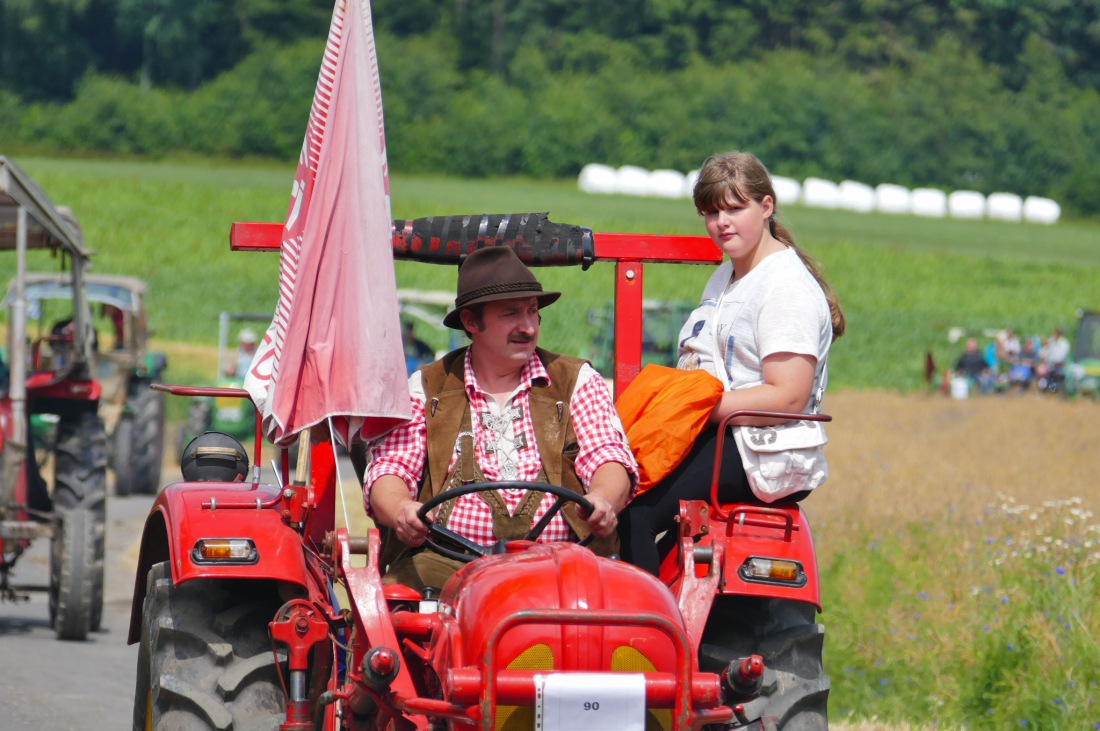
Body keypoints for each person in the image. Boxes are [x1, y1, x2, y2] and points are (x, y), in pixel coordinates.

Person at [618, 151, 845, 576]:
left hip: (757, 446)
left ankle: (640, 638)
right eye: (711, 211)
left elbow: (789, 395)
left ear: (766, 206)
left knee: (634, 513)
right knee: (608, 483)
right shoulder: (727, 276)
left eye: (735, 208)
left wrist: (687, 408)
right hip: (722, 434)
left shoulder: (785, 288)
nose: (722, 222)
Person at [364, 245, 638, 592]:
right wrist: (402, 508)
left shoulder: (575, 379)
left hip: (565, 559)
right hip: (449, 561)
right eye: (511, 314)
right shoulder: (427, 386)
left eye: (532, 311)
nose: (527, 326)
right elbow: (391, 469)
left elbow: (607, 455)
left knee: (624, 611)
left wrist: (601, 498)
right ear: (470, 321)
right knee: (395, 606)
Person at [1037, 327, 1070, 392]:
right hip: (1050, 365)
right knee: (1042, 373)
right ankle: (1045, 389)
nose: (1054, 336)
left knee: (1059, 375)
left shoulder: (1064, 344)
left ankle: (1058, 389)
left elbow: (1062, 357)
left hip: (1060, 365)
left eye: (1055, 334)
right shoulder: (1051, 341)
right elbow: (1044, 352)